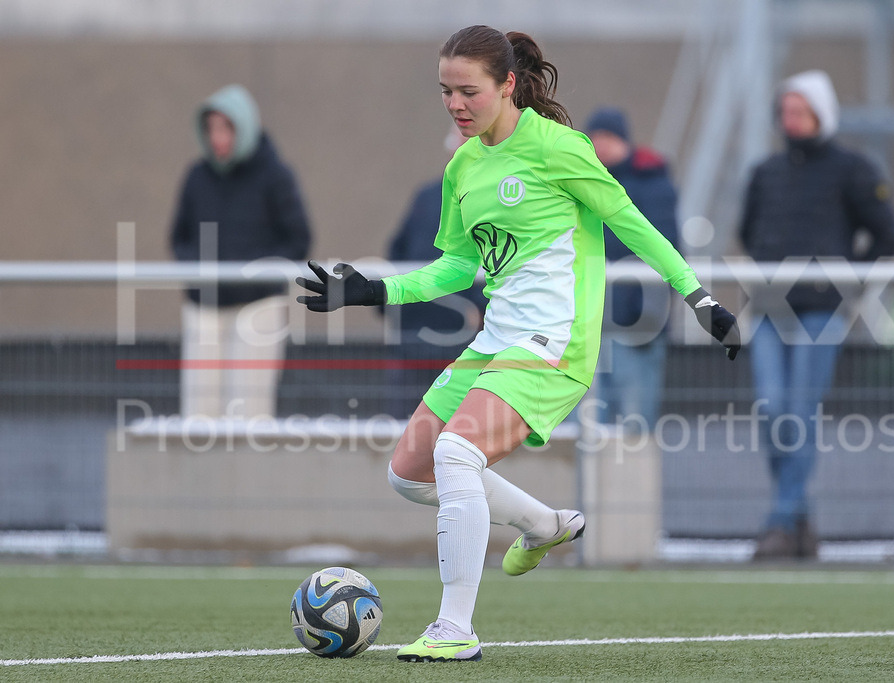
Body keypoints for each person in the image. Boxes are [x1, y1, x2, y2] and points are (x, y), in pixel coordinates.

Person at [297, 25, 740, 662]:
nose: (455, 104)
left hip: (555, 347)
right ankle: (542, 524)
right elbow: (453, 267)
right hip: (496, 340)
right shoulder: (463, 166)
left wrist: (700, 299)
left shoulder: (560, 149)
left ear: (507, 85)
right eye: (445, 91)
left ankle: (455, 629)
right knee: (408, 474)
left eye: (468, 91)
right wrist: (373, 292)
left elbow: (634, 227)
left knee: (454, 456)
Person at [738, 69, 894, 560]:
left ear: (820, 114)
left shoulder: (854, 169)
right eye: (785, 110)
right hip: (769, 309)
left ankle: (782, 521)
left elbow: (888, 236)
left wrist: (848, 284)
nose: (789, 119)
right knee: (772, 410)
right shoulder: (765, 172)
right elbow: (748, 232)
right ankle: (798, 518)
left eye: (799, 110)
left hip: (820, 313)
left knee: (799, 415)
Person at [170, 84, 312, 418]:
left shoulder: (275, 176)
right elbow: (180, 238)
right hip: (204, 309)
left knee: (248, 410)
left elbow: (297, 239)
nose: (218, 138)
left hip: (257, 309)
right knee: (199, 410)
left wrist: (254, 276)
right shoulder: (196, 177)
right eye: (211, 128)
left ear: (243, 128)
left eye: (226, 128)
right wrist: (200, 277)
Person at [584, 107, 680, 429]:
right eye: (596, 138)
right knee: (585, 421)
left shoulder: (653, 186)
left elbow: (666, 250)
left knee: (633, 422)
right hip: (586, 322)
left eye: (609, 138)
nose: (602, 146)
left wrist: (649, 315)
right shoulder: (578, 185)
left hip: (636, 325)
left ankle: (631, 482)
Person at [383, 126, 487, 417]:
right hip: (414, 337)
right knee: (406, 429)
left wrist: (480, 309)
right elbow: (398, 250)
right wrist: (389, 302)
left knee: (458, 432)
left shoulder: (495, 202)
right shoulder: (428, 197)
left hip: (464, 344)